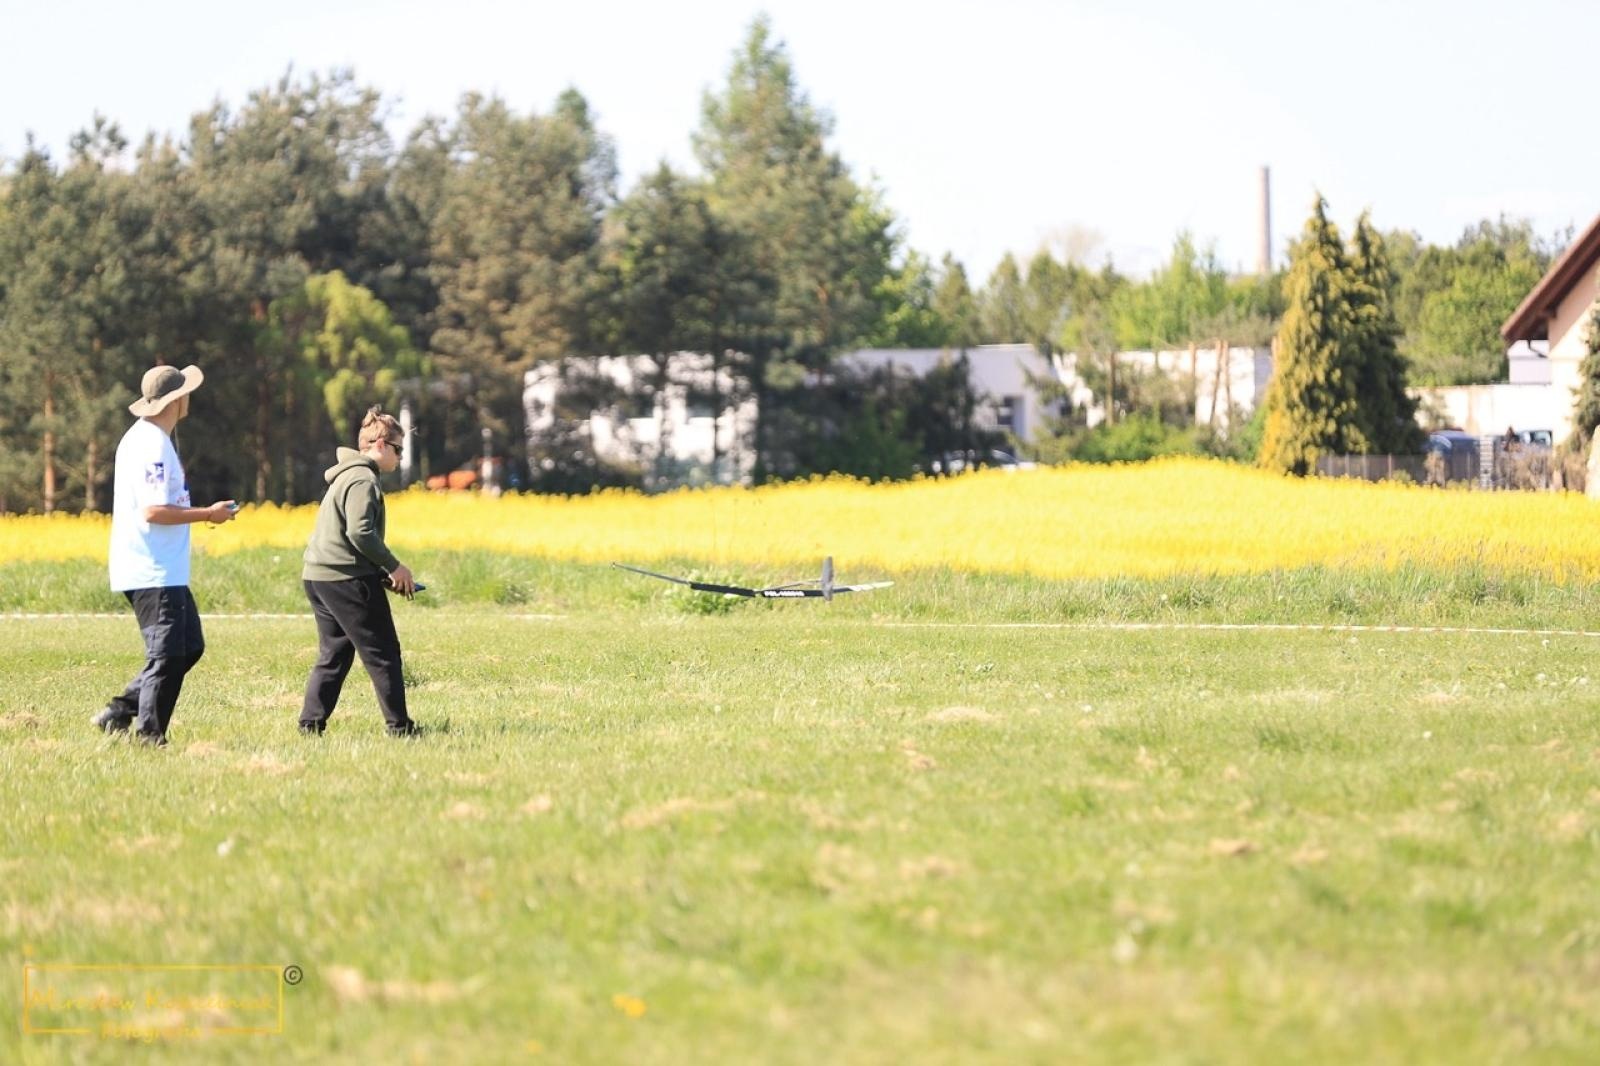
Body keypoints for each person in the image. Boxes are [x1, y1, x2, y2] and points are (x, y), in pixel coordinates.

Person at [95, 364, 237, 746]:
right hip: (152, 569)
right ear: (176, 399)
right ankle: (149, 736)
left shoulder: (149, 438)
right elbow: (153, 511)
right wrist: (208, 514)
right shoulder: (152, 445)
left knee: (188, 646)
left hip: (163, 569)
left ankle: (120, 712)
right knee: (168, 655)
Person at [299, 406, 421, 737]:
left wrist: (378, 572)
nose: (399, 457)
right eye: (398, 449)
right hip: (344, 578)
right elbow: (360, 533)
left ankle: (310, 724)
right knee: (383, 653)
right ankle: (400, 728)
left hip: (319, 575)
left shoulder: (346, 475)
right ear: (380, 444)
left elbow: (347, 536)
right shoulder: (363, 479)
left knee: (335, 652)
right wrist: (394, 567)